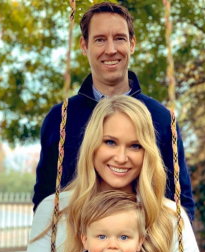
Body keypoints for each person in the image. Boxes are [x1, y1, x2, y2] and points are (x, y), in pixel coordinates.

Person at [18, 96, 205, 252]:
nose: (121, 158)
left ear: (147, 152)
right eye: (110, 142)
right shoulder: (54, 210)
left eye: (135, 145)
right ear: (92, 145)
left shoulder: (170, 216)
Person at [32, 1, 195, 222]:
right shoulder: (59, 119)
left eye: (119, 38)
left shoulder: (162, 119)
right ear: (84, 46)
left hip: (144, 251)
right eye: (100, 40)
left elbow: (180, 202)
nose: (111, 49)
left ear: (132, 44)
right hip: (73, 249)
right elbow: (45, 198)